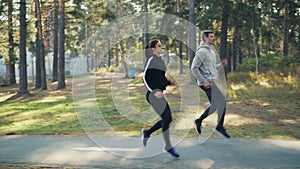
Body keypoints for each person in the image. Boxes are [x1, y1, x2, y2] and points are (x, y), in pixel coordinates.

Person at [142, 39, 180, 158]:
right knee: (167, 118)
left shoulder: (159, 60)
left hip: (158, 94)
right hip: (153, 95)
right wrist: (154, 91)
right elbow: (145, 77)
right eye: (159, 46)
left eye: (161, 46)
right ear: (153, 48)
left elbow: (160, 78)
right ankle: (168, 146)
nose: (161, 48)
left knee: (167, 118)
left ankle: (147, 132)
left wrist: (169, 83)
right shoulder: (152, 60)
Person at [191, 30, 230, 138]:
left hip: (210, 81)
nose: (213, 38)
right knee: (222, 102)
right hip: (206, 83)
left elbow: (210, 68)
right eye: (211, 37)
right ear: (205, 38)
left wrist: (220, 65)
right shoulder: (202, 51)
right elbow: (194, 67)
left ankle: (198, 121)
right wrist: (204, 81)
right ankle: (219, 127)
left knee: (215, 105)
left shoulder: (210, 51)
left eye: (213, 36)